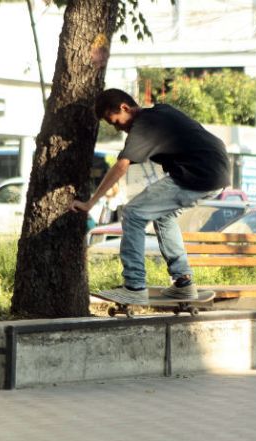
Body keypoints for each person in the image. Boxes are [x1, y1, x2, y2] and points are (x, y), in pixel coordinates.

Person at [70, 88, 230, 304]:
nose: (118, 128)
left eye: (115, 121)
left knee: (133, 212)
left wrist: (90, 203)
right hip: (217, 172)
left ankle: (134, 286)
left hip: (199, 173)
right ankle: (183, 282)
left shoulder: (143, 126)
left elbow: (121, 166)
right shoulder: (161, 112)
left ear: (125, 108)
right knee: (164, 216)